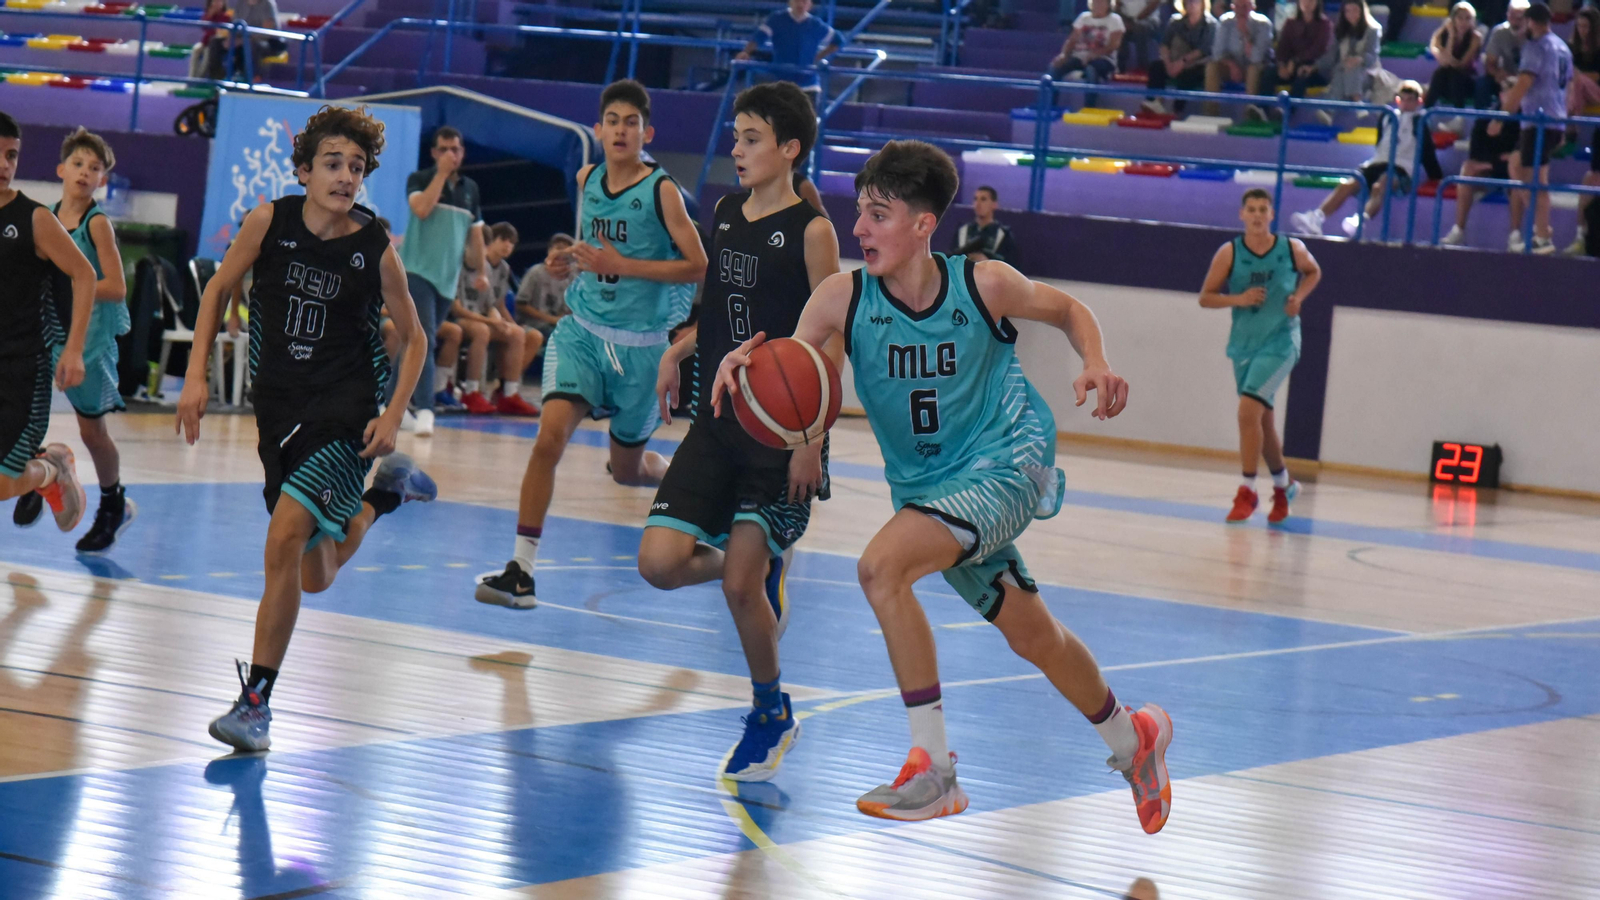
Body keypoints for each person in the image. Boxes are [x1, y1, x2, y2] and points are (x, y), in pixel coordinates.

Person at [712, 139, 1173, 833]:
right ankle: (1132, 739)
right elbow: (802, 373)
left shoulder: (983, 283)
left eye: (878, 213)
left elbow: (1070, 310)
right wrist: (748, 372)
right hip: (929, 486)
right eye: (857, 213)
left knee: (880, 567)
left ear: (924, 224)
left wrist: (1097, 362)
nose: (859, 229)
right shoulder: (842, 297)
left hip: (1008, 457)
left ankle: (933, 767)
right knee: (1033, 635)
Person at [177, 105, 437, 752]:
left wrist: (391, 412)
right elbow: (216, 292)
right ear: (303, 170)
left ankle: (256, 703)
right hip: (277, 408)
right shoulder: (270, 221)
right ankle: (384, 497)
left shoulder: (374, 247)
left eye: (356, 166)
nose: (346, 175)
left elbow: (415, 340)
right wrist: (196, 377)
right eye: (333, 164)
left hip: (344, 408)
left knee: (283, 537)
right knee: (314, 572)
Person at [636, 81, 840, 782]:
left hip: (783, 437)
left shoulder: (813, 231)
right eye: (737, 136)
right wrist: (677, 349)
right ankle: (755, 566)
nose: (738, 148)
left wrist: (813, 437)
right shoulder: (723, 212)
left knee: (738, 592)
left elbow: (830, 340)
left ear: (790, 149)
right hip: (717, 420)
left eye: (752, 138)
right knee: (659, 565)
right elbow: (718, 307)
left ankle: (769, 710)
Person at [474, 80, 707, 609]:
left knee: (628, 472)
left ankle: (689, 488)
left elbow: (698, 265)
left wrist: (623, 266)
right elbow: (591, 250)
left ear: (647, 132)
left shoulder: (662, 190)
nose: (621, 130)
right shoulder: (588, 178)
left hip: (642, 349)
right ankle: (521, 570)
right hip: (583, 334)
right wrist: (567, 261)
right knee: (548, 439)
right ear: (598, 129)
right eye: (613, 120)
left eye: (632, 122)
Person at [12, 128, 134, 551]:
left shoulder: (97, 224)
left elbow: (116, 286)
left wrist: (71, 285)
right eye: (79, 165)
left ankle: (113, 503)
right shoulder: (42, 216)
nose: (85, 173)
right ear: (61, 169)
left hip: (89, 340)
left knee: (93, 432)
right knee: (24, 406)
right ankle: (35, 473)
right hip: (46, 334)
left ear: (102, 179)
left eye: (95, 168)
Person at [0, 111, 96, 536]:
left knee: (2, 485)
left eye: (12, 156)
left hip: (24, 372)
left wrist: (72, 349)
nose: (5, 165)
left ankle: (51, 470)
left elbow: (85, 275)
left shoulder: (34, 219)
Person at [1199, 189, 1320, 524]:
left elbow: (1314, 272)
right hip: (1244, 344)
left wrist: (1298, 297)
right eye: (1250, 209)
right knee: (1260, 420)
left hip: (1281, 342)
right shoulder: (1230, 253)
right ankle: (1284, 486)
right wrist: (1239, 299)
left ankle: (1247, 490)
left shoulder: (1291, 248)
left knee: (1247, 411)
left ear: (1271, 214)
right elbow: (1205, 297)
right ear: (1241, 215)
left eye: (1262, 209)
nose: (1256, 215)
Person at [400, 125, 487, 436]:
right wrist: (440, 175)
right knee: (424, 340)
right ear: (434, 153)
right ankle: (425, 407)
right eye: (445, 149)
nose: (452, 154)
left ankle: (383, 401)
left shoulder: (470, 189)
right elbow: (421, 210)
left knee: (414, 343)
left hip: (447, 281)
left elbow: (475, 233)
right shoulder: (420, 179)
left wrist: (481, 271)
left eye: (456, 149)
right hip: (417, 272)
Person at [1289, 80, 1441, 238]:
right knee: (1348, 184)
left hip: (1401, 168)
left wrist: (1436, 177)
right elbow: (1380, 143)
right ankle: (1317, 218)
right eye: (1403, 99)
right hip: (1376, 163)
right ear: (1397, 100)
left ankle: (1360, 219)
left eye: (1411, 100)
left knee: (1382, 184)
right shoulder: (1387, 117)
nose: (1406, 103)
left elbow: (1427, 153)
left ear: (1418, 101)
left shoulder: (1420, 122)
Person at [1492, 1, 1571, 254]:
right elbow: (1565, 85)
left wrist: (1502, 117)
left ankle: (1543, 234)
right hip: (1552, 118)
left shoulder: (1536, 47)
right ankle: (1542, 229)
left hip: (1538, 120)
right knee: (1517, 166)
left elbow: (1525, 82)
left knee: (1533, 179)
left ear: (1531, 22)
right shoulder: (1562, 47)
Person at [453, 222, 542, 416]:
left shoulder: (501, 269)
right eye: (503, 240)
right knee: (482, 330)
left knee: (517, 333)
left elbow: (493, 304)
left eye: (512, 242)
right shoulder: (458, 263)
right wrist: (493, 321)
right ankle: (471, 391)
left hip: (482, 318)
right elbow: (457, 309)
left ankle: (508, 393)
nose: (507, 246)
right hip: (459, 318)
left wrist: (504, 323)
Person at [735, 0, 842, 104]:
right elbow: (759, 37)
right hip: (783, 82)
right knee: (782, 120)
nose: (800, 4)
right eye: (797, 1)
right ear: (790, 2)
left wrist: (819, 56)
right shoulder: (777, 19)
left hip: (809, 83)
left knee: (806, 120)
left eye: (804, 1)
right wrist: (746, 52)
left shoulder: (815, 24)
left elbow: (838, 40)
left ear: (810, 5)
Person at [1440, 113, 1522, 245]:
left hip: (1513, 171)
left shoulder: (1524, 120)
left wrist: (1506, 161)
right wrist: (1498, 161)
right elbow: (1475, 154)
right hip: (1489, 169)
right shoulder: (1484, 118)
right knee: (1467, 169)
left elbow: (1522, 157)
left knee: (1519, 178)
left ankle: (1515, 235)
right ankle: (1458, 230)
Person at [1205, 0, 1277, 118]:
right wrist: (1231, 65)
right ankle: (1210, 114)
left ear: (1253, 7)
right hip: (1232, 66)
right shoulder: (1225, 21)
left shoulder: (1264, 24)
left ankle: (1249, 115)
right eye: (1238, 6)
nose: (1241, 10)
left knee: (1253, 69)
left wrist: (1246, 34)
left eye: (1245, 6)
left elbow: (1256, 58)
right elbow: (1217, 53)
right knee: (1211, 67)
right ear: (1232, 7)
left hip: (1256, 68)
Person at [1143, 0, 1216, 114]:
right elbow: (1164, 44)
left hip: (1198, 64)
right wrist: (1168, 64)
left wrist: (1182, 62)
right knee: (1156, 67)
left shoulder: (1211, 24)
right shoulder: (1175, 22)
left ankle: (1177, 111)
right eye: (1188, 1)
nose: (1191, 4)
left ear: (1202, 4)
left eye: (1195, 1)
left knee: (1189, 75)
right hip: (1174, 61)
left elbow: (1204, 50)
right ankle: (1154, 102)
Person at [1050, 0, 1126, 87]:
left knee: (1091, 69)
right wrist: (1064, 55)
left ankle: (1090, 100)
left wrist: (1093, 55)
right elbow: (1072, 40)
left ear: (1108, 5)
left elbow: (1114, 45)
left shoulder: (1115, 19)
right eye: (1096, 2)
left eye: (1101, 3)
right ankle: (1049, 99)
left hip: (1104, 58)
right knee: (1056, 66)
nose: (1098, 5)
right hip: (1079, 56)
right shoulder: (1083, 17)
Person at [514, 231, 574, 337]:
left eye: (566, 249)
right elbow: (521, 304)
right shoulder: (536, 272)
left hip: (557, 325)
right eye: (558, 248)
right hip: (533, 324)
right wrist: (551, 319)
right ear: (550, 251)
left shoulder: (570, 277)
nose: (562, 253)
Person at [1426, 3, 1484, 110]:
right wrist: (1451, 36)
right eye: (1460, 18)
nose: (1463, 22)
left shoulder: (1475, 38)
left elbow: (1461, 64)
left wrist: (1448, 60)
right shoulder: (1442, 35)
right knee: (1439, 73)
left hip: (1466, 80)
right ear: (1453, 19)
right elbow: (1444, 63)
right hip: (1446, 81)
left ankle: (1459, 115)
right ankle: (1425, 112)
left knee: (1455, 73)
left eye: (1468, 18)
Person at [1322, 0, 1383, 103]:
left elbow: (1372, 57)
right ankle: (1339, 105)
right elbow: (1331, 54)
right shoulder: (1340, 30)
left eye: (1355, 10)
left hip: (1367, 71)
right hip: (1344, 68)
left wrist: (1359, 59)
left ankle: (1355, 100)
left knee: (1352, 70)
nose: (1352, 15)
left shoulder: (1373, 30)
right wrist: (1315, 66)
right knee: (1341, 70)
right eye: (1348, 11)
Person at [1275, 0, 1332, 106]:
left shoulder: (1325, 24)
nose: (1307, 3)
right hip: (1290, 66)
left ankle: (1287, 113)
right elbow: (1283, 47)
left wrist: (1296, 61)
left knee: (1301, 77)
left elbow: (1317, 50)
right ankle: (1261, 111)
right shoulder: (1290, 22)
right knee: (1269, 73)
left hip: (1314, 68)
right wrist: (1282, 65)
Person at [1477, 0, 1530, 111]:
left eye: (1519, 18)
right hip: (1505, 79)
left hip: (1528, 82)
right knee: (1483, 84)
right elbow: (1490, 62)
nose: (1514, 22)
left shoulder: (1535, 37)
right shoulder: (1499, 32)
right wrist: (1498, 73)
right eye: (1511, 16)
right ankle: (1482, 119)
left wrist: (1519, 81)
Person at [951, 185, 1020, 265]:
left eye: (983, 199)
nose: (978, 204)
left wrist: (988, 261)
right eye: (975, 199)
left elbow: (1012, 265)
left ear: (994, 205)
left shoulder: (1003, 235)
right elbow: (951, 259)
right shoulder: (963, 231)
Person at [1119, 0, 1168, 74]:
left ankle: (1142, 68)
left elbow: (1154, 3)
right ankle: (1120, 68)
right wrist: (1124, 20)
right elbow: (1118, 5)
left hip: (1149, 20)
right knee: (1119, 28)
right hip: (1127, 20)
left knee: (1140, 27)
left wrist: (1135, 20)